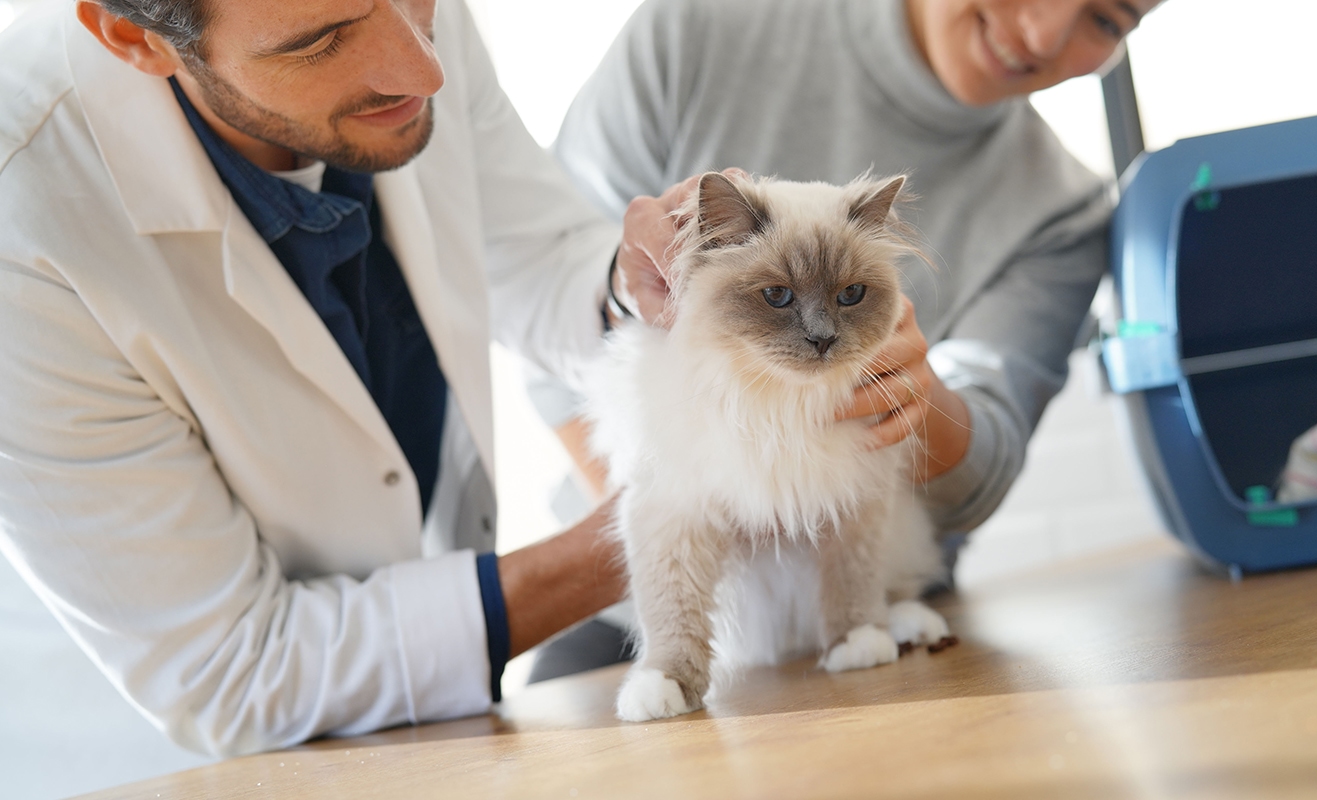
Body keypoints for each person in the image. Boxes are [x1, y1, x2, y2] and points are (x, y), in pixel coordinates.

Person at [0, 0, 681, 758]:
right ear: (135, 37)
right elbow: (240, 671)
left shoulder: (389, 26)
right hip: (175, 763)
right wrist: (660, 531)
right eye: (322, 41)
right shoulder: (22, 217)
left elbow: (534, 256)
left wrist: (642, 284)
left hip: (429, 730)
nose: (426, 68)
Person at [524, 0, 1163, 680]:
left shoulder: (1064, 209)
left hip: (868, 594)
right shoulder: (695, 25)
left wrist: (916, 394)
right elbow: (538, 296)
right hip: (614, 597)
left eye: (1108, 20)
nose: (1041, 34)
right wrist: (664, 518)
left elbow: (987, 464)